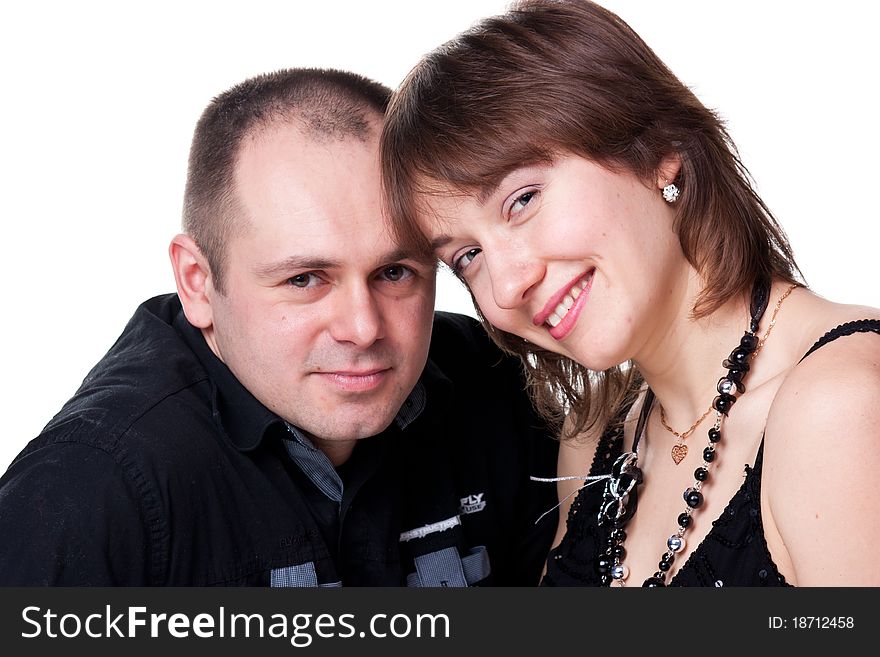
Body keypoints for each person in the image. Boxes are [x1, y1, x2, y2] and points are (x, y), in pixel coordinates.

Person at [380, 0, 880, 586]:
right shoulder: (592, 442)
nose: (509, 284)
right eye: (467, 257)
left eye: (522, 199)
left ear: (658, 152)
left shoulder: (840, 409)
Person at [0, 68, 558, 586]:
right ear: (198, 281)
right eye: (305, 279)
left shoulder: (492, 382)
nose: (363, 329)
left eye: (394, 272)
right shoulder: (89, 487)